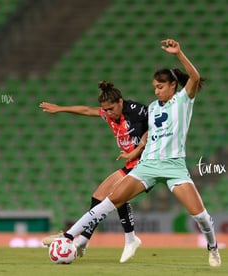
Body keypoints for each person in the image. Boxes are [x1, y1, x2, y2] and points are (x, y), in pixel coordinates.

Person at [60, 38, 222, 267]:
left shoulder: (183, 101)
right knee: (111, 200)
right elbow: (149, 136)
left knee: (200, 216)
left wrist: (179, 54)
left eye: (160, 87)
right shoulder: (153, 108)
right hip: (148, 165)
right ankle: (68, 236)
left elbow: (194, 77)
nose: (156, 91)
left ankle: (213, 247)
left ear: (172, 86)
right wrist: (136, 151)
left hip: (174, 166)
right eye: (154, 87)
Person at [39, 81, 148, 263]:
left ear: (121, 102)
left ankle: (124, 239)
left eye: (111, 109)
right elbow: (87, 110)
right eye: (104, 110)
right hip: (130, 162)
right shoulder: (109, 115)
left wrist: (139, 148)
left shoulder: (136, 111)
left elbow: (156, 125)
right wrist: (61, 109)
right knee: (98, 196)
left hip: (144, 162)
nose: (107, 113)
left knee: (117, 196)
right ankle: (84, 240)